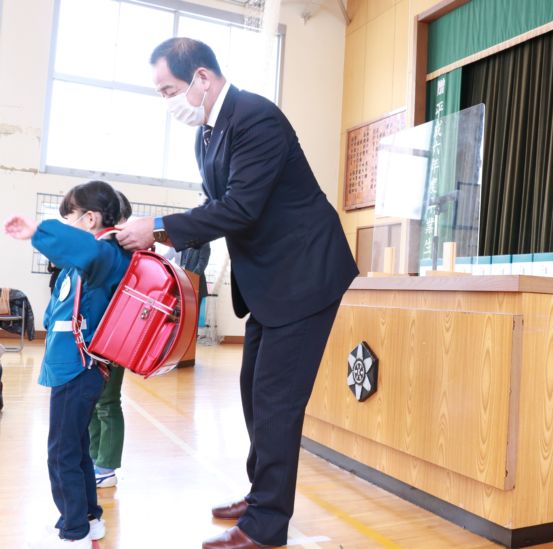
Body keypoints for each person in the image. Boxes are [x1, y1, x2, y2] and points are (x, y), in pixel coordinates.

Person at [116, 37, 358, 549]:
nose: (169, 103)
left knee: (276, 399)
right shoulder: (207, 134)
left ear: (202, 78)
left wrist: (157, 227)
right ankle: (262, 492)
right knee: (253, 390)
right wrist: (163, 240)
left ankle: (267, 527)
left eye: (170, 90)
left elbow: (241, 209)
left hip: (305, 273)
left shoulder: (255, 118)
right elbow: (214, 205)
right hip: (272, 279)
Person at [4, 180, 131, 548]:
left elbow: (85, 250)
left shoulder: (103, 256)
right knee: (76, 449)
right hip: (71, 370)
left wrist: (37, 231)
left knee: (61, 453)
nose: (65, 226)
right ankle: (88, 519)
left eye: (69, 217)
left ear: (90, 219)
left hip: (79, 371)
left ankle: (72, 530)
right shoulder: (83, 264)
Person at [88, 189, 132, 488]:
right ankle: (94, 458)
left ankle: (106, 465)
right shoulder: (99, 250)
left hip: (113, 340)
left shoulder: (119, 253)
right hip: (91, 339)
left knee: (107, 402)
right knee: (92, 402)